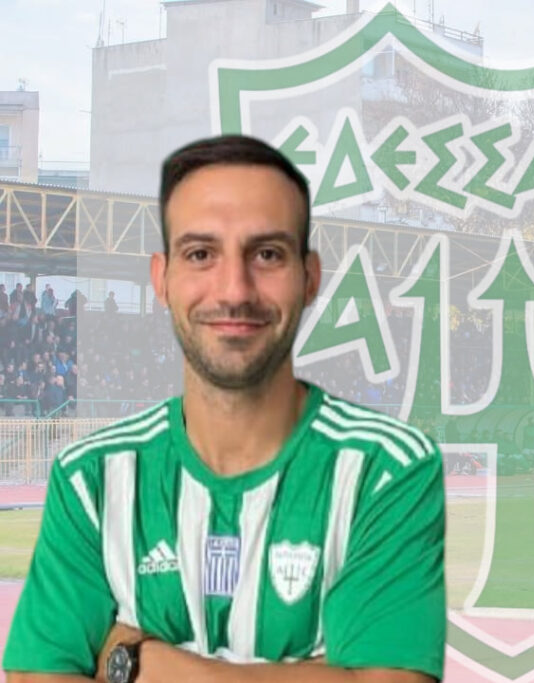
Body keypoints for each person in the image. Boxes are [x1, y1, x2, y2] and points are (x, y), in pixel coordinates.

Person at [4, 135, 446, 682]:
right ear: (161, 279)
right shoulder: (90, 477)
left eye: (267, 254)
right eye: (200, 254)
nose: (235, 290)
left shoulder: (387, 469)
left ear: (310, 277)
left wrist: (137, 663)